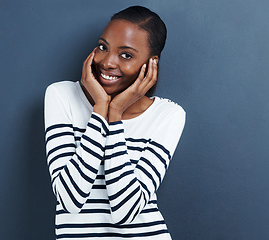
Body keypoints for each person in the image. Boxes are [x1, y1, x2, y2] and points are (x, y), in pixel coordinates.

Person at [44, 6, 185, 240]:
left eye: (126, 55)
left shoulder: (168, 114)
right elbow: (70, 199)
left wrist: (115, 112)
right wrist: (101, 110)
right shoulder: (61, 96)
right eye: (103, 47)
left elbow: (125, 211)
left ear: (151, 63)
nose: (107, 62)